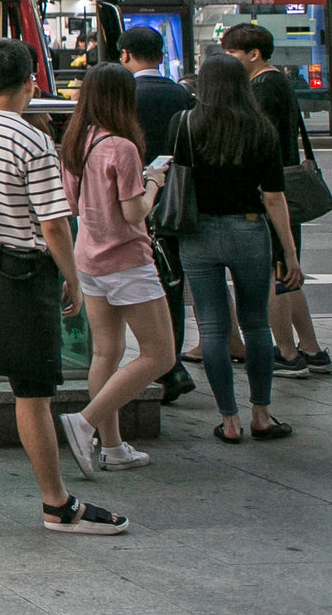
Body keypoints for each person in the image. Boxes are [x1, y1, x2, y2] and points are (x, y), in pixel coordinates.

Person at [0, 39, 126, 536]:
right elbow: (54, 223)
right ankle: (57, 505)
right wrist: (73, 278)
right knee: (32, 391)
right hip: (18, 275)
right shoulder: (32, 141)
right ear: (31, 80)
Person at [54, 64, 176, 476]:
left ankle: (113, 447)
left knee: (106, 352)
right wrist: (154, 181)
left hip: (88, 258)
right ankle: (85, 421)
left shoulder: (76, 141)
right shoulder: (122, 147)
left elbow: (72, 207)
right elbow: (133, 212)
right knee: (160, 354)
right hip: (127, 261)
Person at [176, 53, 303, 444]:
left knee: (213, 327)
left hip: (197, 232)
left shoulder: (185, 125)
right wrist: (289, 252)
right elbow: (274, 197)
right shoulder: (260, 128)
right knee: (256, 324)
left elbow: (177, 180)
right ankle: (262, 415)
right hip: (249, 230)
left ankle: (229, 421)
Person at [223, 23, 331, 377]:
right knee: (288, 269)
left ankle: (286, 352)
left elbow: (256, 144)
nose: (228, 60)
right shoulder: (278, 81)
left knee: (271, 276)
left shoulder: (261, 88)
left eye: (232, 53)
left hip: (269, 191)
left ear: (253, 54)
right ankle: (311, 349)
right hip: (284, 188)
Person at [121, 27, 198, 403]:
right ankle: (170, 360)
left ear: (125, 55)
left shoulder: (125, 95)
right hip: (176, 200)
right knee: (172, 282)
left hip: (133, 200)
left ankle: (161, 365)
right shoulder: (181, 93)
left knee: (136, 286)